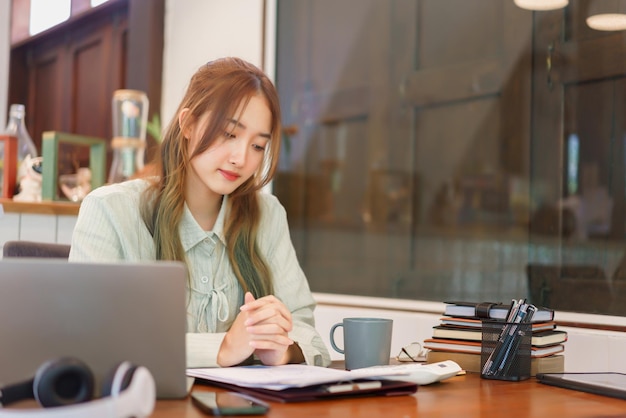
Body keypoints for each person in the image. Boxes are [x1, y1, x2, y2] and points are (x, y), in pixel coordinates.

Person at [69, 57, 331, 368]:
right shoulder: (110, 211)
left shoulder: (268, 215)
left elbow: (307, 333)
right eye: (230, 134)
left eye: (258, 146)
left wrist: (281, 349)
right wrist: (220, 349)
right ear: (188, 124)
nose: (241, 158)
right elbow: (87, 341)